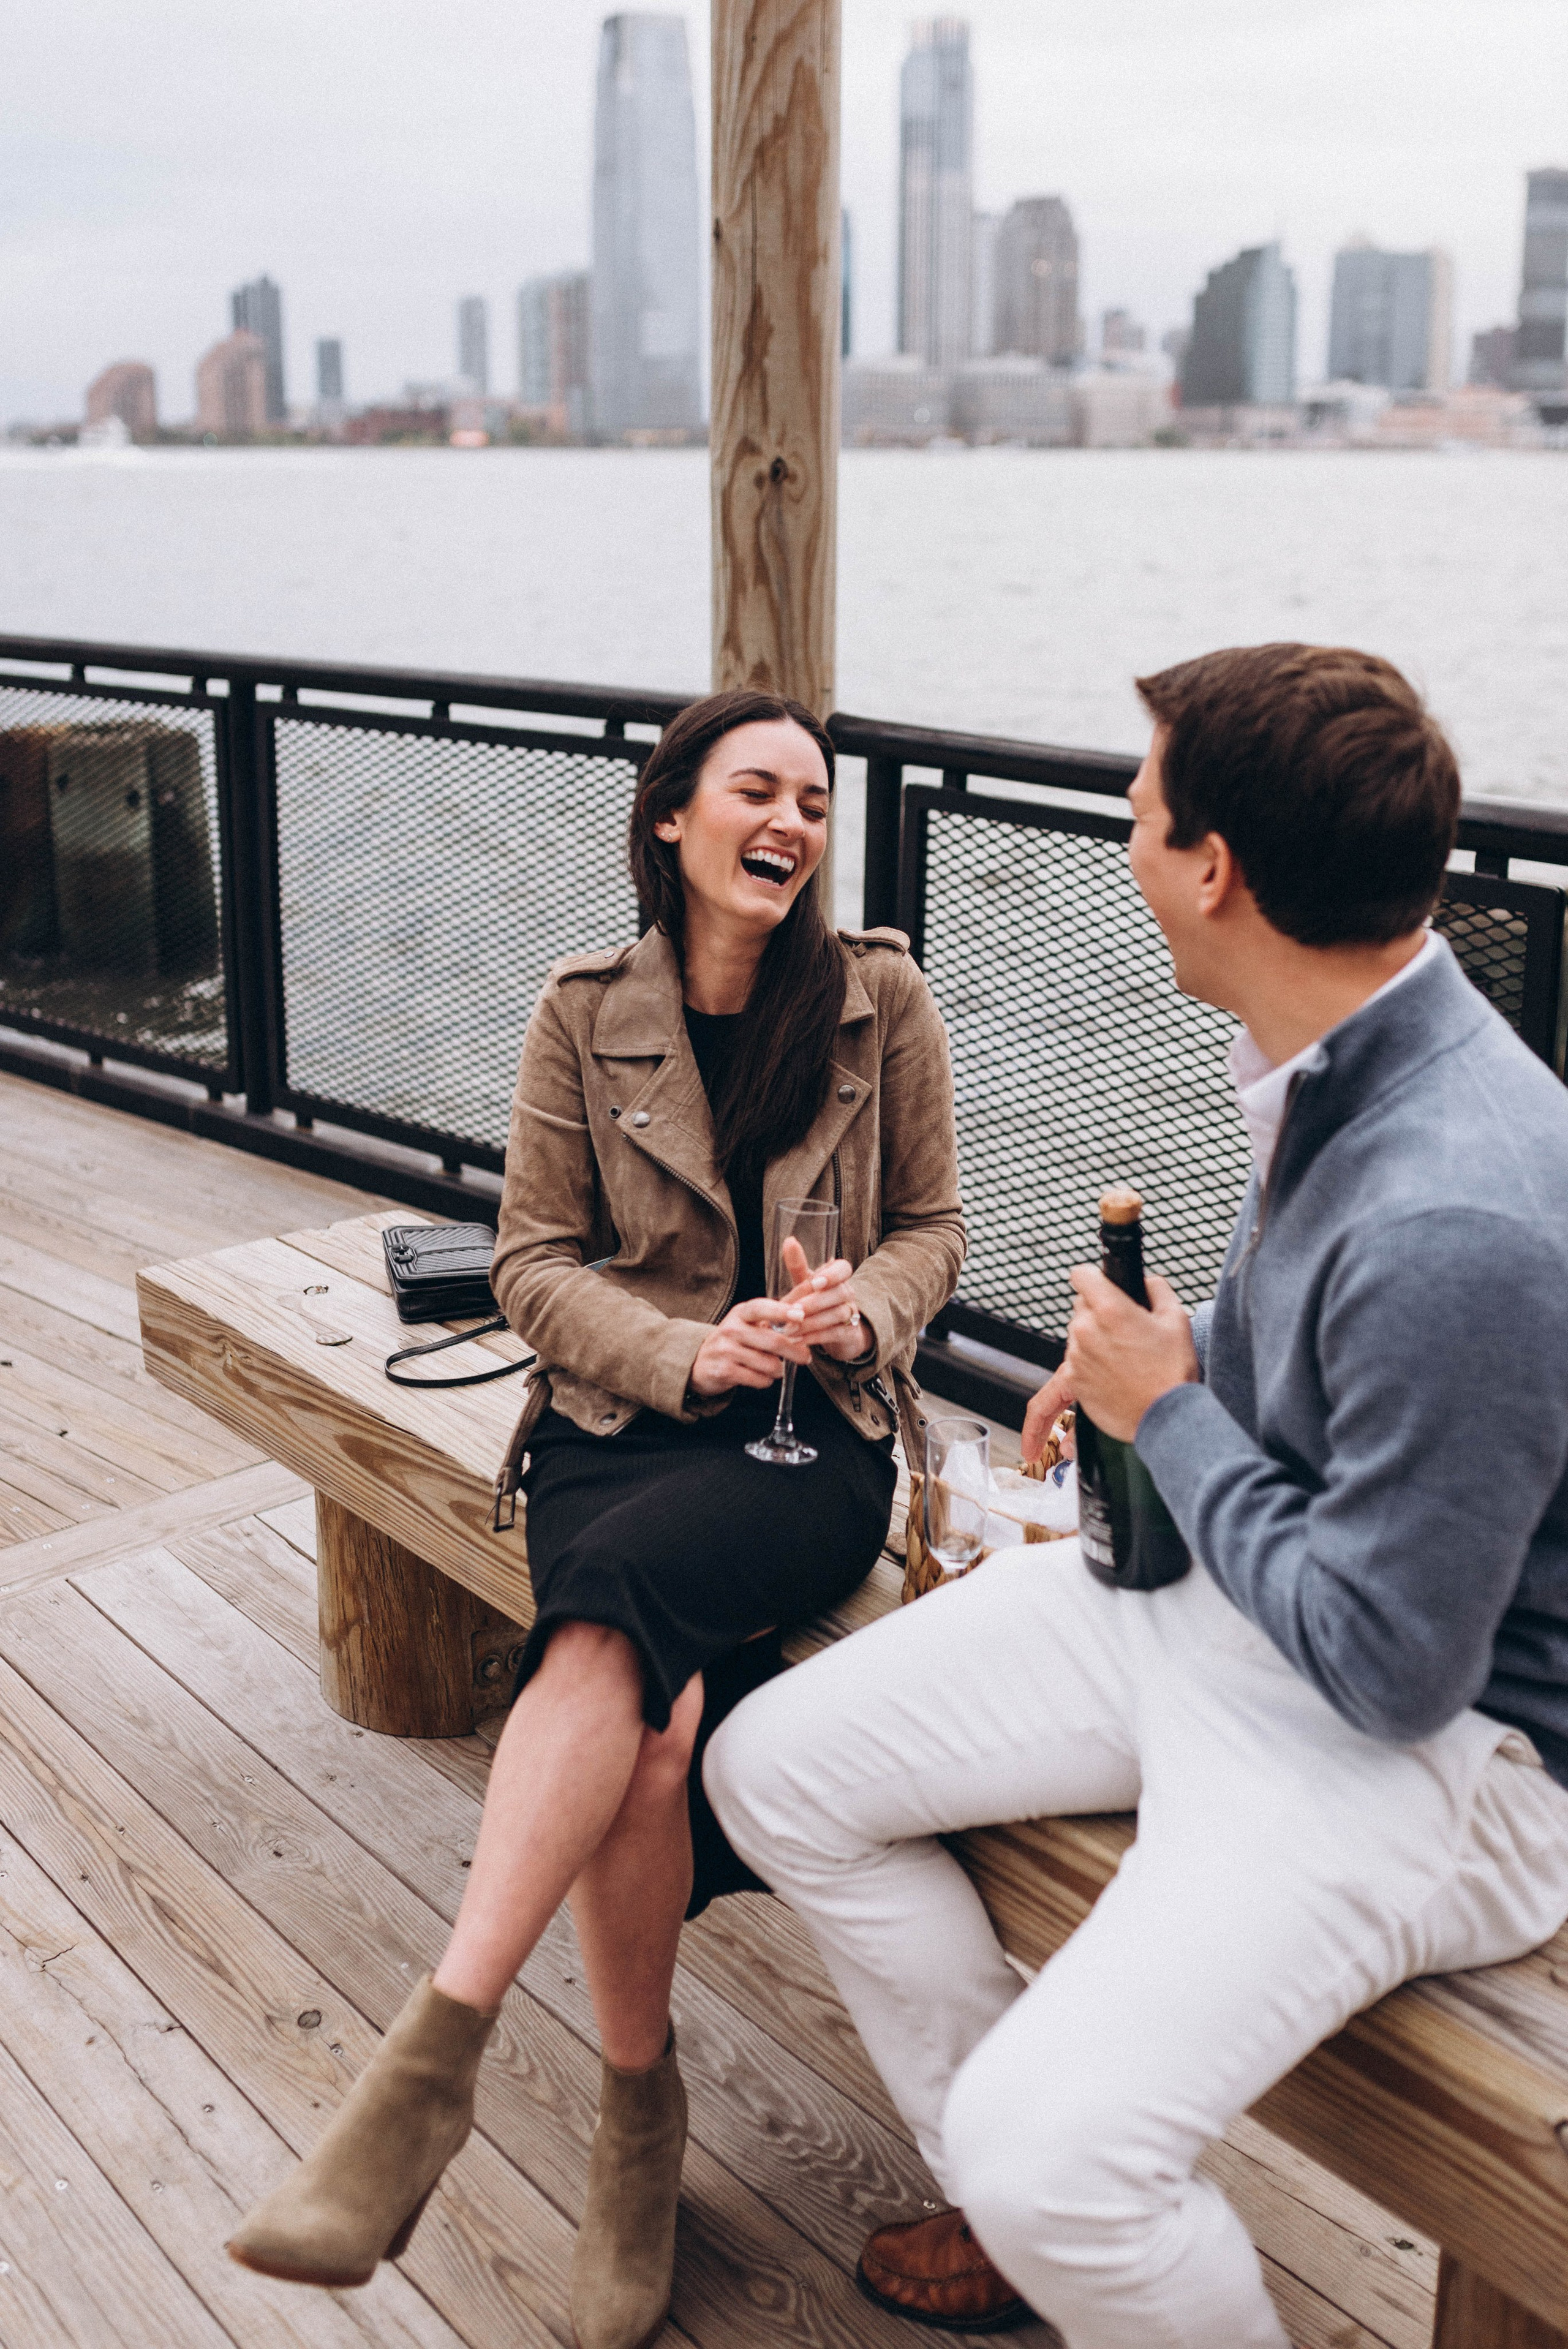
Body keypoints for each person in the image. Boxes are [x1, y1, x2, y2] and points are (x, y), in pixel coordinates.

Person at [704, 643, 1568, 2348]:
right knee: (772, 1767)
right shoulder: (1337, 1051)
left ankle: (1057, 2204)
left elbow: (1396, 1665)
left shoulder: (1458, 1211)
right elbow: (1310, 1382)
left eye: (1141, 814)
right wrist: (1167, 1380)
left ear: (1217, 869)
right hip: (1239, 1606)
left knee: (1058, 2150)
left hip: (1445, 1751)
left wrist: (1168, 1417)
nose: (1124, 845)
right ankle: (1050, 2226)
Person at [225, 688, 965, 2349]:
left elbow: (935, 1226)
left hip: (805, 1449)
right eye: (758, 791)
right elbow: (531, 1267)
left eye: (816, 801)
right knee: (643, 1733)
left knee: (614, 1614)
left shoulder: (879, 1001)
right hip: (625, 1424)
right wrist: (684, 1346)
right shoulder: (584, 1011)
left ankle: (439, 2054)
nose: (793, 821)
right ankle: (640, 2116)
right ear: (673, 820)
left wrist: (863, 1316)